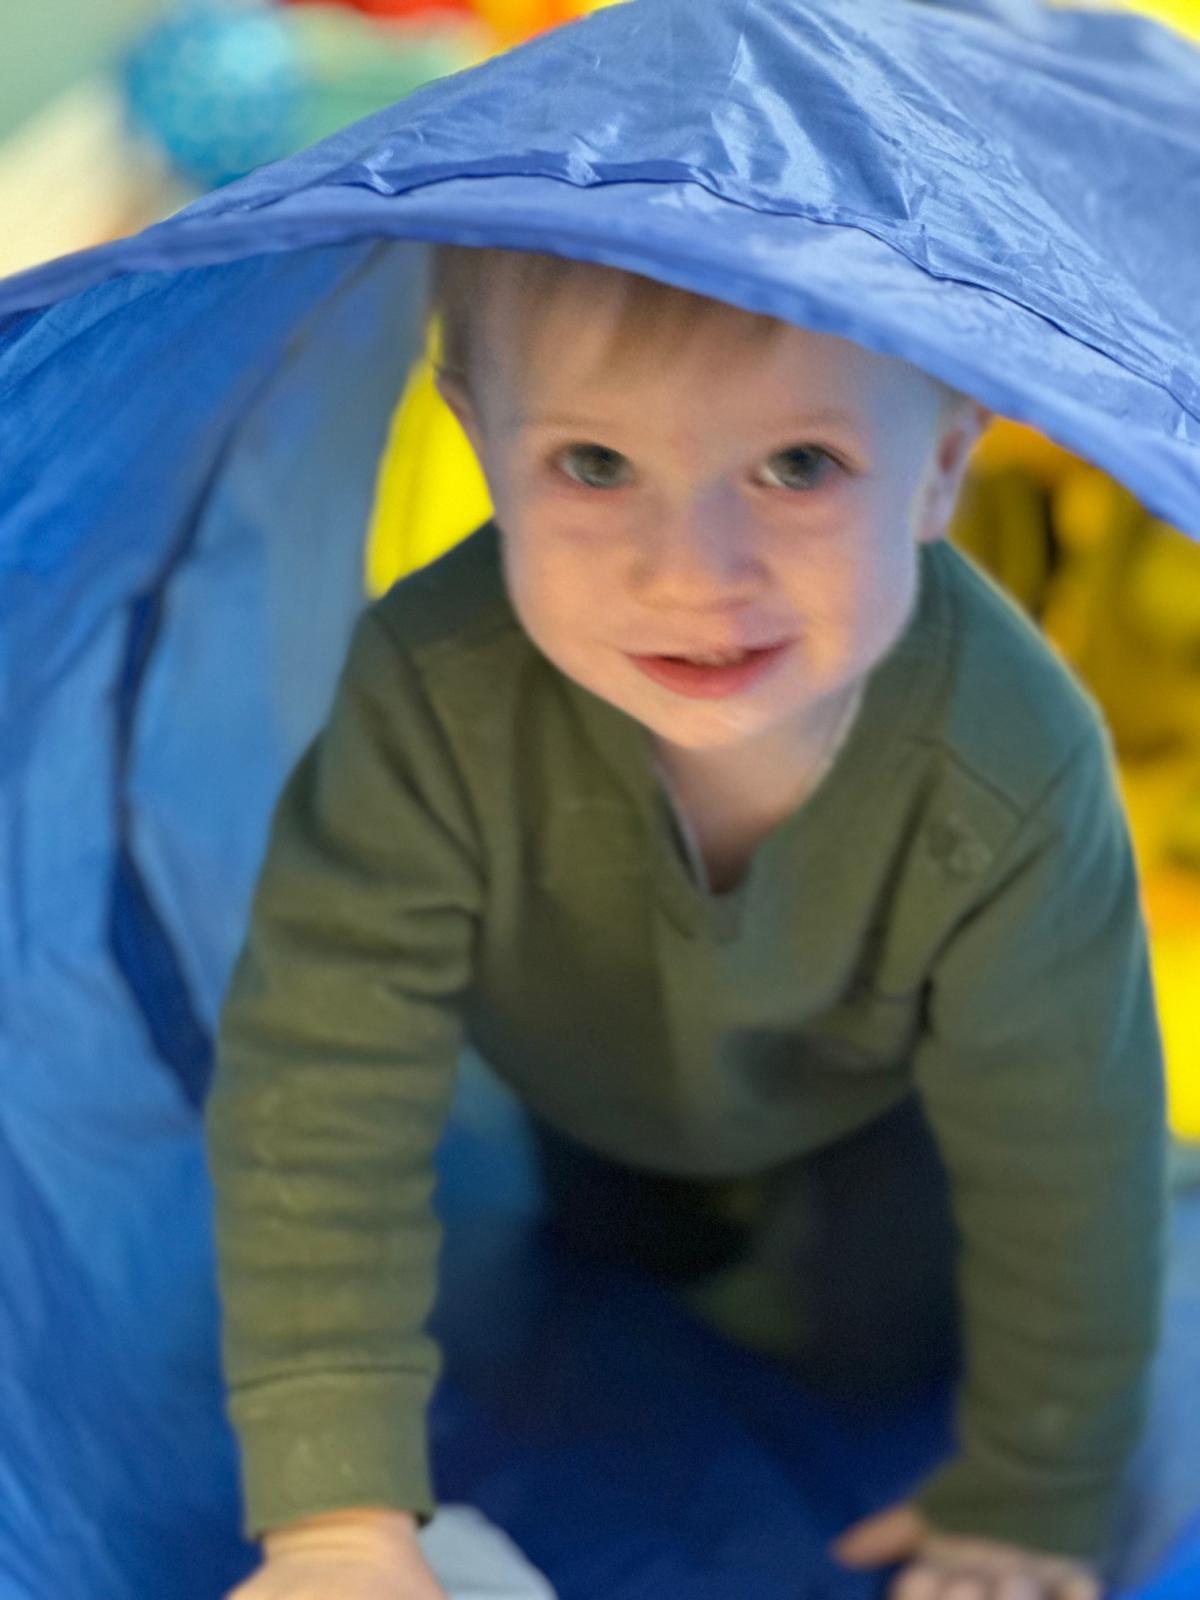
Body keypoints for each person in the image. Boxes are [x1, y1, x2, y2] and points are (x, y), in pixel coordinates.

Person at [206, 244, 1167, 1600]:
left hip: (876, 1094)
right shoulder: (432, 693)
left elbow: (1071, 1143)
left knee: (879, 1343)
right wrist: (334, 1520)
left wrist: (1034, 1491)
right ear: (480, 443)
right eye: (594, 466)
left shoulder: (1009, 764)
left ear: (945, 463)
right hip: (590, 1079)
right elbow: (320, 1080)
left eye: (797, 466)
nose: (693, 576)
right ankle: (678, 1220)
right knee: (616, 1265)